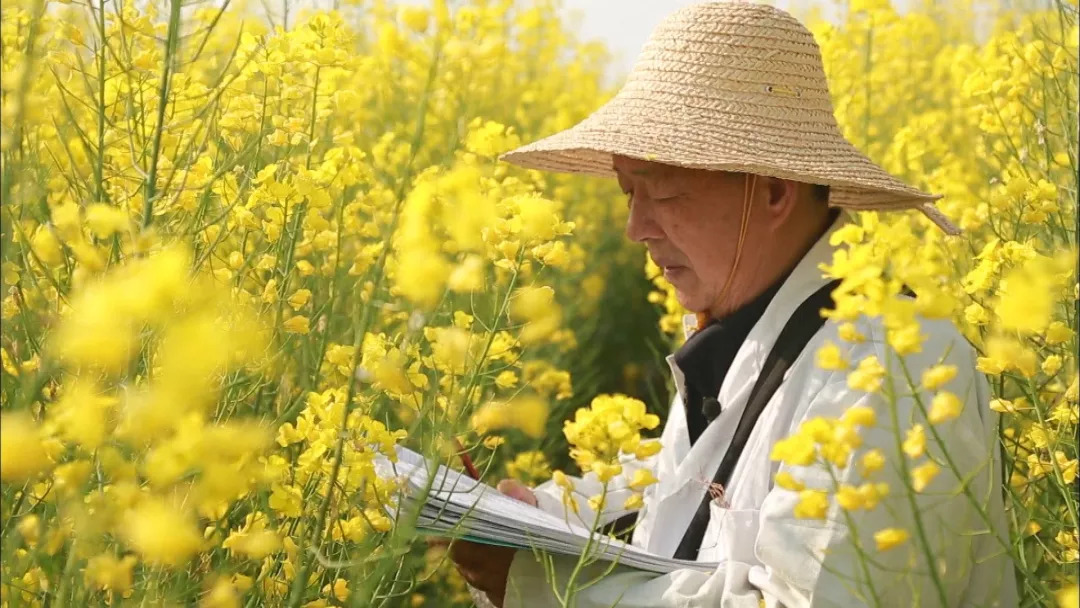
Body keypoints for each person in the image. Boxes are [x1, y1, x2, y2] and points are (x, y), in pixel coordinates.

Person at [448, 2, 1017, 606]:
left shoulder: (886, 369)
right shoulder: (749, 333)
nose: (636, 228)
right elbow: (685, 507)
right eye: (627, 194)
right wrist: (544, 517)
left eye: (662, 191)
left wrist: (537, 584)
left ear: (772, 190)